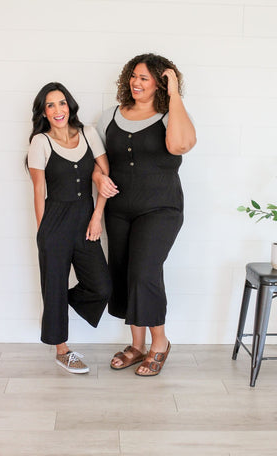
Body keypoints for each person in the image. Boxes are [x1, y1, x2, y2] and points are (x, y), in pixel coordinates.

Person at [94, 53, 196, 376]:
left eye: (145, 78)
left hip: (161, 208)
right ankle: (136, 346)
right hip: (119, 210)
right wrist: (98, 178)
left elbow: (181, 145)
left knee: (144, 272)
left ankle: (160, 343)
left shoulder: (170, 115)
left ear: (160, 84)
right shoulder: (109, 116)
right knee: (123, 272)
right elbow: (94, 161)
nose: (136, 83)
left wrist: (175, 94)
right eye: (134, 76)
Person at [26, 82, 116, 374]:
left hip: (85, 217)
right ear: (43, 111)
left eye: (61, 103)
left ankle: (59, 302)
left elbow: (104, 173)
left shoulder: (88, 133)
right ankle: (62, 350)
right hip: (54, 220)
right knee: (53, 285)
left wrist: (97, 216)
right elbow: (39, 191)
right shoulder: (40, 142)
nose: (57, 110)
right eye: (50, 105)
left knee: (102, 285)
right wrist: (43, 234)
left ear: (70, 105)